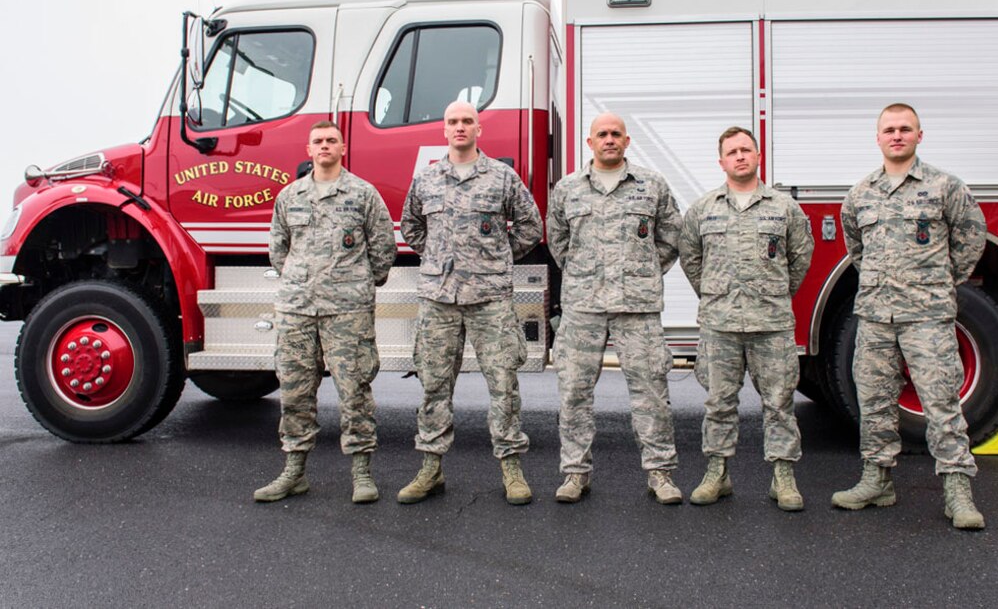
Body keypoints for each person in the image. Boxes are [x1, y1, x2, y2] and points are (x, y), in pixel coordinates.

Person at [833, 103, 987, 530]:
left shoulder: (943, 187)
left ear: (920, 135)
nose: (896, 135)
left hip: (928, 317)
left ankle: (958, 490)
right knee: (875, 401)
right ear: (877, 138)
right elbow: (856, 250)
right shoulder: (861, 193)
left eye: (905, 129)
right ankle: (876, 480)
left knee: (941, 401)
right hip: (876, 317)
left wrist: (937, 283)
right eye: (889, 129)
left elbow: (972, 238)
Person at [397, 101, 543, 506]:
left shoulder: (501, 177)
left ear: (479, 128)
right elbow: (411, 225)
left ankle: (512, 468)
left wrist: (495, 259)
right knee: (434, 386)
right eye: (452, 122)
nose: (459, 128)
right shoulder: (427, 179)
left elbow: (531, 226)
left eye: (466, 121)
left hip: (490, 298)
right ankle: (430, 468)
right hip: (439, 300)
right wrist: (437, 260)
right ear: (443, 130)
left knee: (504, 386)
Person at [254, 120, 396, 504]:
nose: (325, 146)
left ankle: (362, 474)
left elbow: (384, 248)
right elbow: (278, 250)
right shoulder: (290, 196)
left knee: (355, 392)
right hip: (297, 310)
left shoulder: (363, 195)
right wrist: (302, 283)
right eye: (318, 141)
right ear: (308, 149)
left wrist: (359, 284)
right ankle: (294, 472)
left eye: (332, 140)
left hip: (347, 310)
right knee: (295, 392)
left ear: (343, 148)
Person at [547, 112, 684, 504]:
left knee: (651, 392)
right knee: (574, 392)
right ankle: (575, 474)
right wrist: (585, 274)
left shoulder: (651, 185)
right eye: (601, 134)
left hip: (636, 307)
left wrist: (639, 271)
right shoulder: (569, 189)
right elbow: (559, 242)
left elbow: (671, 237)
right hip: (583, 306)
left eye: (616, 134)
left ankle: (661, 474)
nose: (609, 139)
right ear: (589, 143)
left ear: (627, 141)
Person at [678, 127, 814, 511]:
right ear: (721, 161)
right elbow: (691, 258)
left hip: (770, 324)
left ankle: (783, 477)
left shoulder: (784, 208)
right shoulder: (703, 209)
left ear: (757, 157)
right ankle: (717, 473)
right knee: (719, 403)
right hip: (720, 324)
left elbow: (800, 256)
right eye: (732, 151)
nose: (740, 156)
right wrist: (715, 293)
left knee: (779, 402)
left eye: (746, 150)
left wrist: (774, 295)